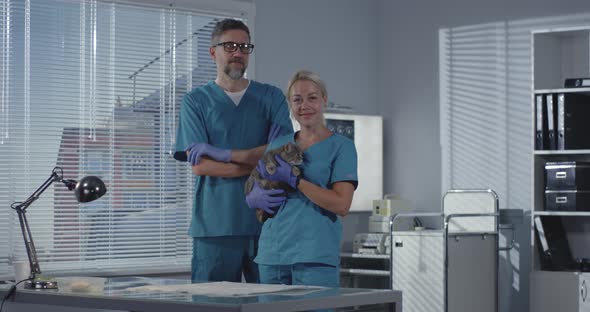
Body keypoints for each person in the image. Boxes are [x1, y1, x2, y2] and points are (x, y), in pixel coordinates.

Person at [174, 18, 293, 283]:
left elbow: (284, 155)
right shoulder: (196, 102)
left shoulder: (271, 97)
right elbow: (201, 166)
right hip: (216, 227)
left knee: (272, 305)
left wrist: (223, 154)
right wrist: (261, 159)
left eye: (244, 46)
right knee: (212, 305)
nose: (238, 52)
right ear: (212, 52)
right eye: (229, 46)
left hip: (267, 224)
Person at [246, 70, 358, 288]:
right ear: (290, 104)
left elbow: (342, 205)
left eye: (312, 98)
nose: (304, 105)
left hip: (315, 256)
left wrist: (296, 181)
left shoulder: (341, 147)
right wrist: (253, 197)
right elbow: (258, 185)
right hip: (273, 255)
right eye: (297, 100)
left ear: (324, 100)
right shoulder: (277, 144)